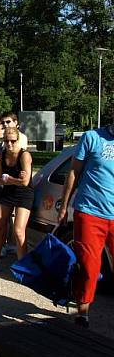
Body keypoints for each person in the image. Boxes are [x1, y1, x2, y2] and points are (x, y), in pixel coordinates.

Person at [57, 121, 114, 328]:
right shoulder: (92, 138)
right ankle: (83, 313)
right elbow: (74, 172)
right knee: (89, 266)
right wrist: (64, 206)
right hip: (90, 212)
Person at [0, 127, 34, 272]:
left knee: (18, 230)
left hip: (24, 194)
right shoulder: (1, 155)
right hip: (7, 193)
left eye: (13, 141)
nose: (10, 144)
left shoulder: (24, 155)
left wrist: (10, 179)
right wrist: (14, 179)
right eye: (6, 141)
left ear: (18, 140)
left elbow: (24, 182)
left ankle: (22, 265)